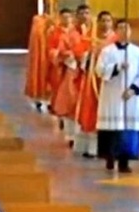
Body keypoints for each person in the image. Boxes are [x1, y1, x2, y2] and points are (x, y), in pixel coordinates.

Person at [95, 19, 139, 173]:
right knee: (112, 128)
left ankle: (125, 161)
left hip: (130, 98)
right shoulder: (107, 51)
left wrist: (133, 90)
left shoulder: (137, 52)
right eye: (120, 28)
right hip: (112, 96)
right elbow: (99, 70)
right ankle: (110, 157)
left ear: (130, 32)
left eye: (126, 28)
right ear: (115, 32)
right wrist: (117, 68)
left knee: (128, 129)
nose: (123, 32)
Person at [74, 11, 117, 158]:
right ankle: (91, 148)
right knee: (92, 111)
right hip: (92, 82)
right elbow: (80, 56)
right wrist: (88, 55)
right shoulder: (91, 40)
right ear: (97, 22)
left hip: (110, 83)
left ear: (112, 23)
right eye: (102, 21)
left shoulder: (116, 41)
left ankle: (108, 148)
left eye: (108, 21)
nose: (105, 24)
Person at [49, 8, 82, 145]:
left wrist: (76, 55)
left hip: (78, 69)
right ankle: (65, 124)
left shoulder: (76, 33)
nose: (67, 19)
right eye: (64, 17)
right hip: (62, 69)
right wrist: (60, 55)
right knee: (64, 99)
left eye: (69, 17)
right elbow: (51, 50)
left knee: (76, 101)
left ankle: (77, 133)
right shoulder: (55, 33)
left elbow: (82, 47)